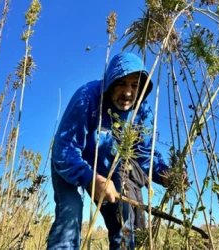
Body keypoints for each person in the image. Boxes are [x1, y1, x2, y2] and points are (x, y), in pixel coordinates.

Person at [47, 52, 181, 249]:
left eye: (135, 85)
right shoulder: (87, 98)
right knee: (71, 211)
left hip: (108, 168)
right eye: (121, 83)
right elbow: (64, 147)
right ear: (110, 82)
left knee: (123, 221)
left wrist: (165, 175)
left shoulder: (140, 111)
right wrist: (89, 178)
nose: (128, 92)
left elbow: (144, 153)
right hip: (69, 163)